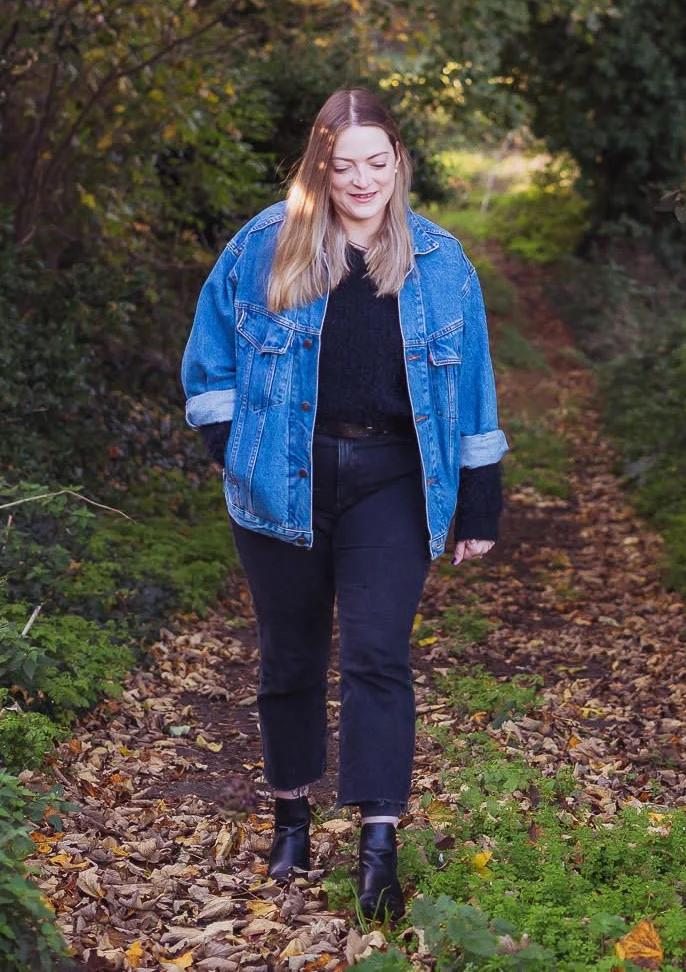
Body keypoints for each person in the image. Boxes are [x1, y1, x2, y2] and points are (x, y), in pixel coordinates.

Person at [179, 88, 506, 921]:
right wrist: (233, 452)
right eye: (343, 163)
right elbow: (208, 362)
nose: (361, 180)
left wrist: (478, 503)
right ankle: (290, 813)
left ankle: (378, 847)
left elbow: (471, 389)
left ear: (400, 162)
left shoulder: (440, 262)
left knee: (377, 656)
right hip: (282, 474)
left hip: (392, 477)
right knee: (288, 658)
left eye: (378, 162)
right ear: (319, 163)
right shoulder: (263, 245)